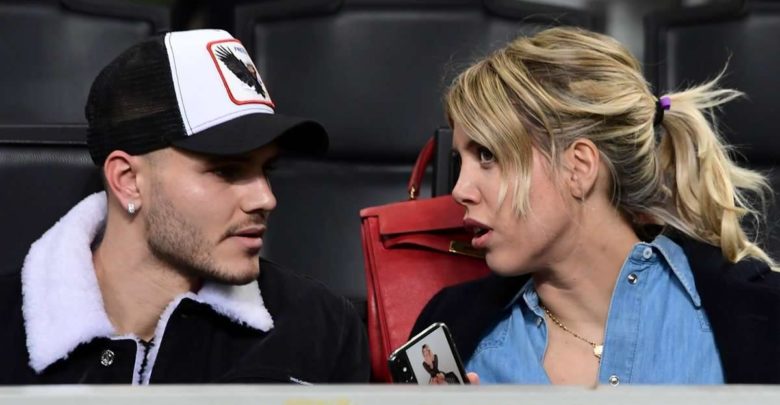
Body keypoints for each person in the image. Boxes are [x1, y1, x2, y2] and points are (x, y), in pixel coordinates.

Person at [412, 27, 780, 385]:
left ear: (579, 167)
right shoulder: (443, 335)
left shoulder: (762, 314)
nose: (460, 190)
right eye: (461, 161)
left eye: (487, 155)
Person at [0, 29, 369, 384]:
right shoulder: (8, 328)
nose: (265, 199)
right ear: (128, 180)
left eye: (267, 169)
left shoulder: (322, 328)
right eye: (226, 170)